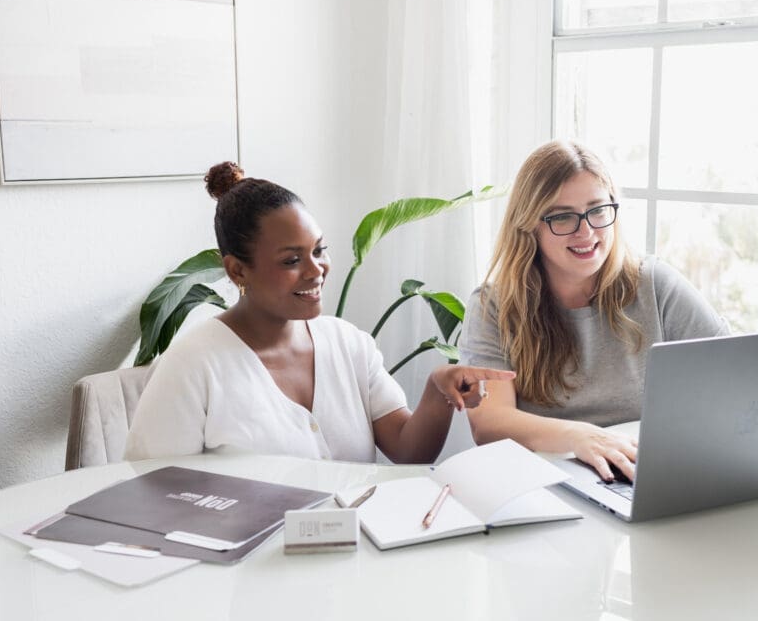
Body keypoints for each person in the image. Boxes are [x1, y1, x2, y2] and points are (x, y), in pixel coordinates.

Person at [125, 161, 514, 464]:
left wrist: (436, 391)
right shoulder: (193, 365)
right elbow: (152, 494)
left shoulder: (349, 344)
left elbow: (409, 451)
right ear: (237, 270)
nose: (316, 270)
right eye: (292, 259)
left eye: (319, 250)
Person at [459, 140, 728, 482]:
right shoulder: (494, 305)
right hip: (545, 483)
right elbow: (489, 423)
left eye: (598, 210)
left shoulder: (655, 285)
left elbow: (732, 375)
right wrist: (581, 437)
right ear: (529, 225)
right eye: (562, 216)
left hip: (641, 475)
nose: (586, 231)